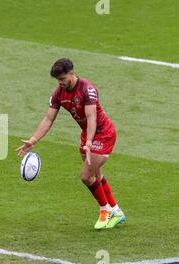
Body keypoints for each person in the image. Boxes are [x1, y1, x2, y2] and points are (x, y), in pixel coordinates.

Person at [17, 58, 126, 230]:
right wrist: (33, 140)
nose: (60, 83)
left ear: (71, 73)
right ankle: (116, 210)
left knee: (86, 176)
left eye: (62, 78)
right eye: (57, 80)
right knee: (95, 174)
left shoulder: (87, 90)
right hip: (87, 136)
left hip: (103, 134)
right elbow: (48, 119)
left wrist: (90, 142)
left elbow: (92, 117)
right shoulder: (58, 94)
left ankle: (106, 210)